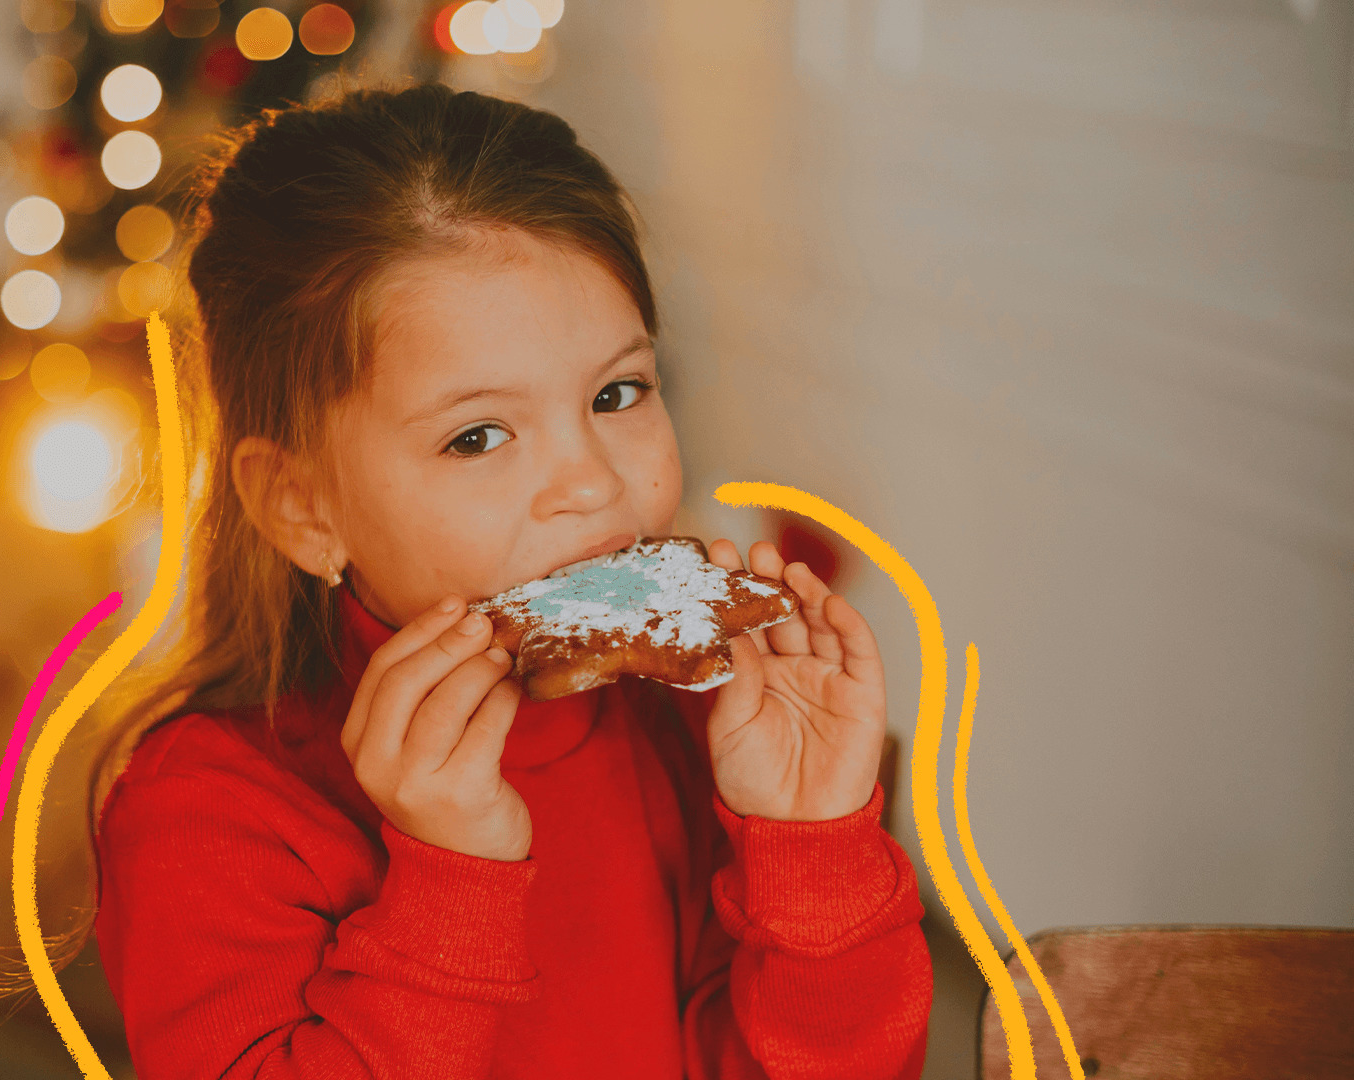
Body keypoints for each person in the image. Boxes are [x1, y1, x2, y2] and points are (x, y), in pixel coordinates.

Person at [64, 82, 932, 1078]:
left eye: (619, 393)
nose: (594, 482)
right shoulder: (210, 816)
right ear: (304, 505)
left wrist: (814, 847)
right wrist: (452, 882)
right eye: (477, 436)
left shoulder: (705, 732)